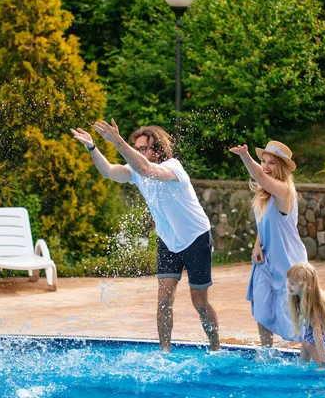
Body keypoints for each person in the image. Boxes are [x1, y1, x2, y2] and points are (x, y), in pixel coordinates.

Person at [70, 119, 220, 352]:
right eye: (137, 148)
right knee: (163, 301)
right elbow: (109, 172)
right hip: (168, 240)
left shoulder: (173, 167)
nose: (139, 152)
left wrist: (117, 141)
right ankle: (165, 352)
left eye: (143, 148)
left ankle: (215, 348)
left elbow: (147, 169)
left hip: (195, 237)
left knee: (199, 302)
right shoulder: (134, 170)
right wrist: (93, 148)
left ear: (157, 148)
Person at [229, 141, 307, 347]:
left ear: (281, 167)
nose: (266, 167)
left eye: (271, 163)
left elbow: (260, 176)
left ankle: (308, 353)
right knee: (262, 309)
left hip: (289, 263)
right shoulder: (264, 194)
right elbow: (265, 221)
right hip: (266, 261)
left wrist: (245, 156)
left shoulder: (284, 191)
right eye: (263, 161)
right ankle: (266, 353)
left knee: (295, 319)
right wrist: (257, 245)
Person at [287, 262, 325, 369]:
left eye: (293, 283)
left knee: (310, 344)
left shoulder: (313, 303)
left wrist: (323, 358)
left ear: (305, 286)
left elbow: (317, 334)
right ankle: (302, 366)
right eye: (289, 281)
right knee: (305, 343)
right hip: (324, 312)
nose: (288, 285)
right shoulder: (300, 296)